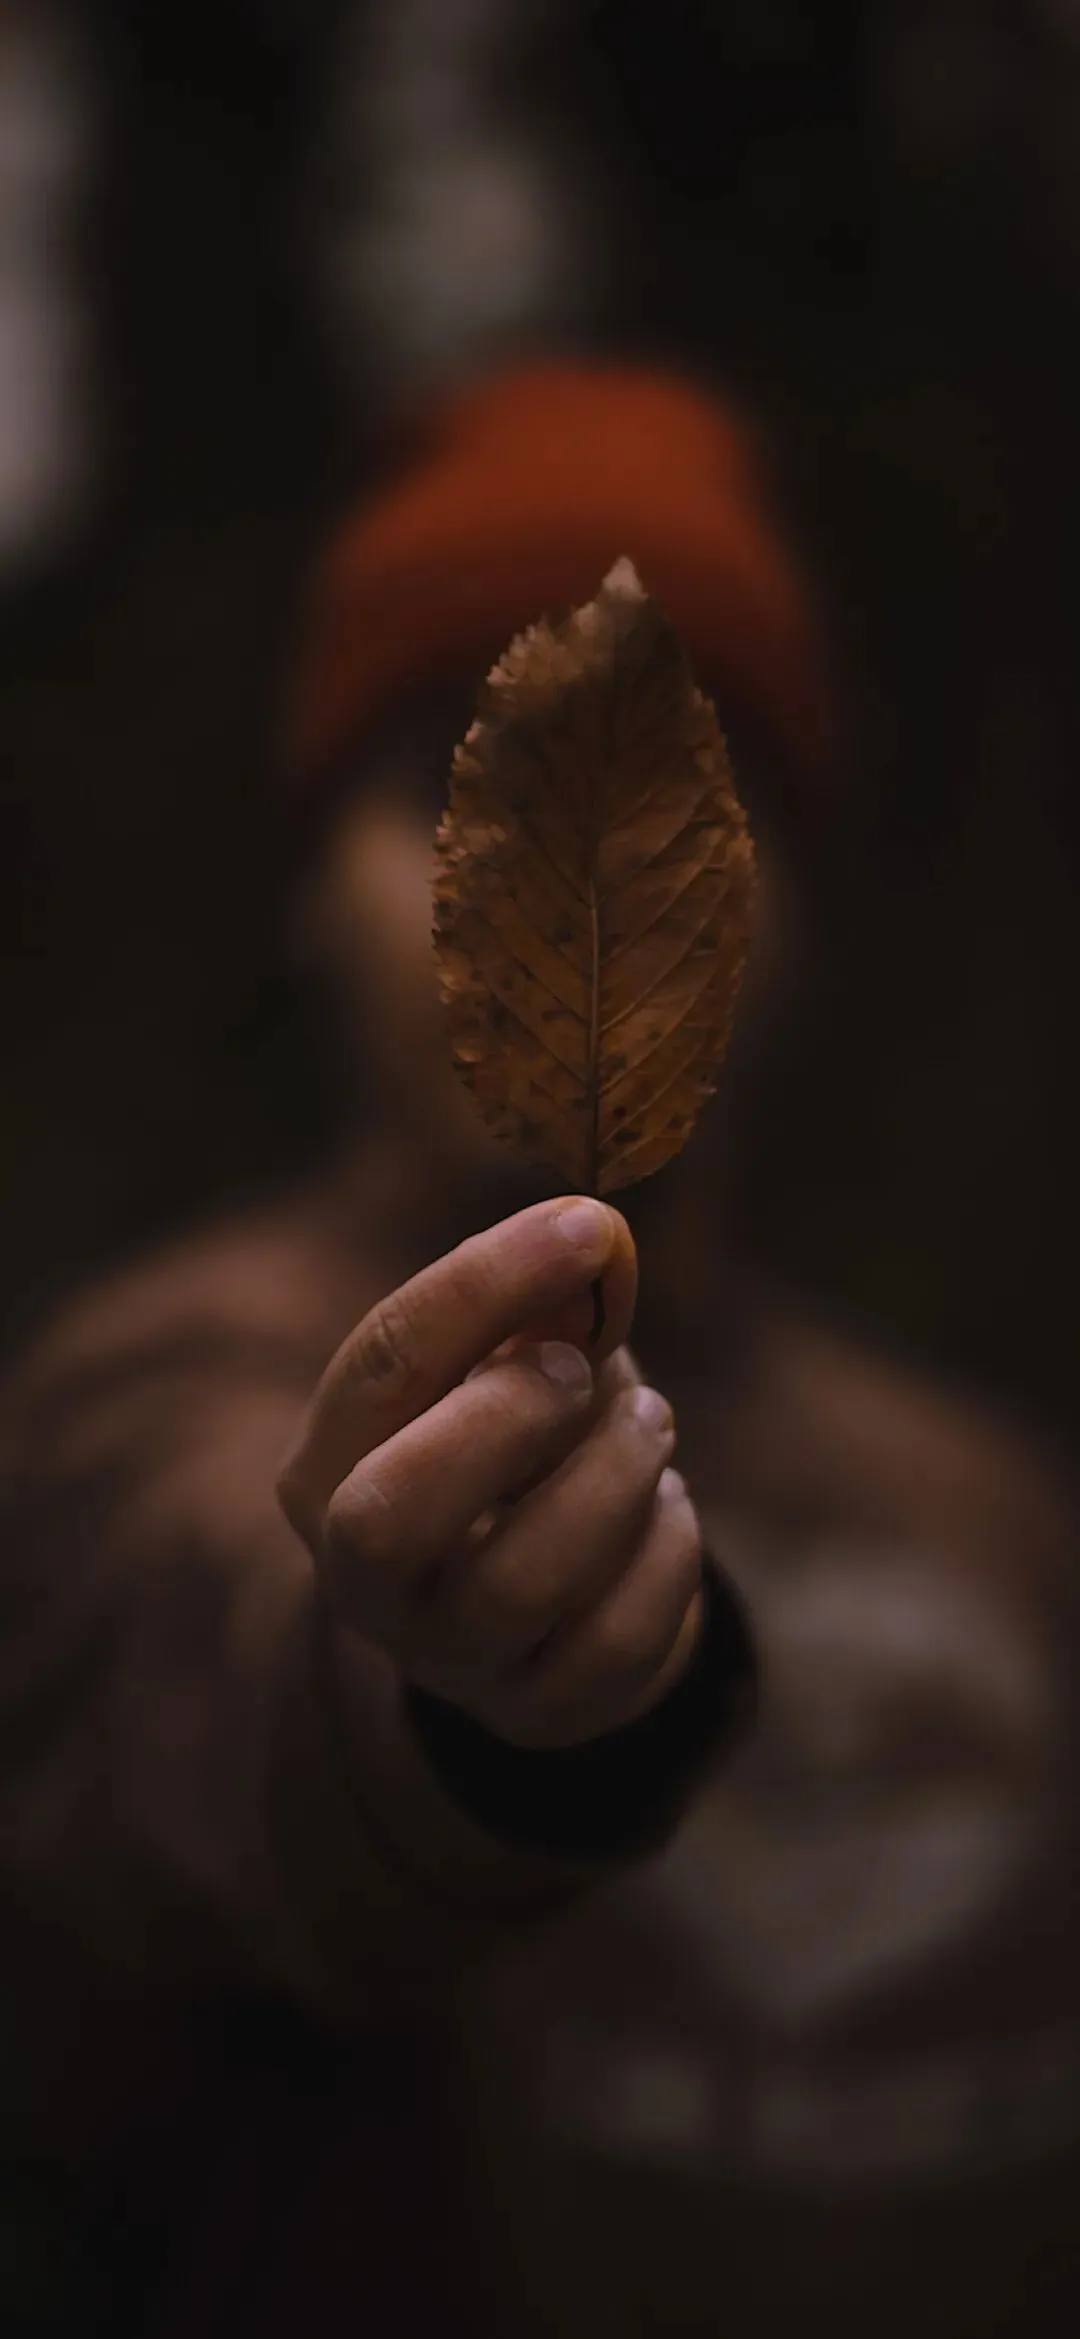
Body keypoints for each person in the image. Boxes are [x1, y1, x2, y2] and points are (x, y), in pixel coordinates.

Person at [1, 360, 1078, 2337]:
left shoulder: (994, 1512)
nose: (573, 863)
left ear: (800, 903)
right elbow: (213, 1642)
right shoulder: (147, 1389)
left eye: (689, 786)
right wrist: (459, 1704)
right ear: (310, 893)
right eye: (448, 770)